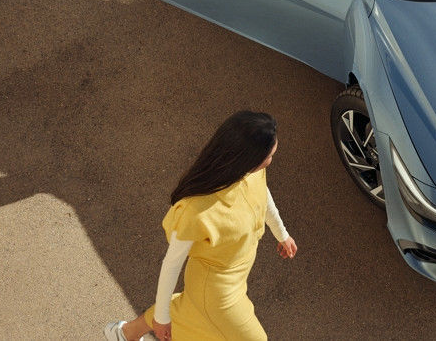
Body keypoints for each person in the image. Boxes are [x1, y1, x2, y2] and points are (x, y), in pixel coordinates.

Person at [104, 111, 298, 341]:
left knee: (194, 317)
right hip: (217, 292)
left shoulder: (251, 172)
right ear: (249, 157)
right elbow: (171, 264)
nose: (271, 160)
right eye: (270, 155)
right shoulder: (197, 210)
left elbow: (262, 196)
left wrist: (282, 234)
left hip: (235, 279)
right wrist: (162, 319)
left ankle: (125, 334)